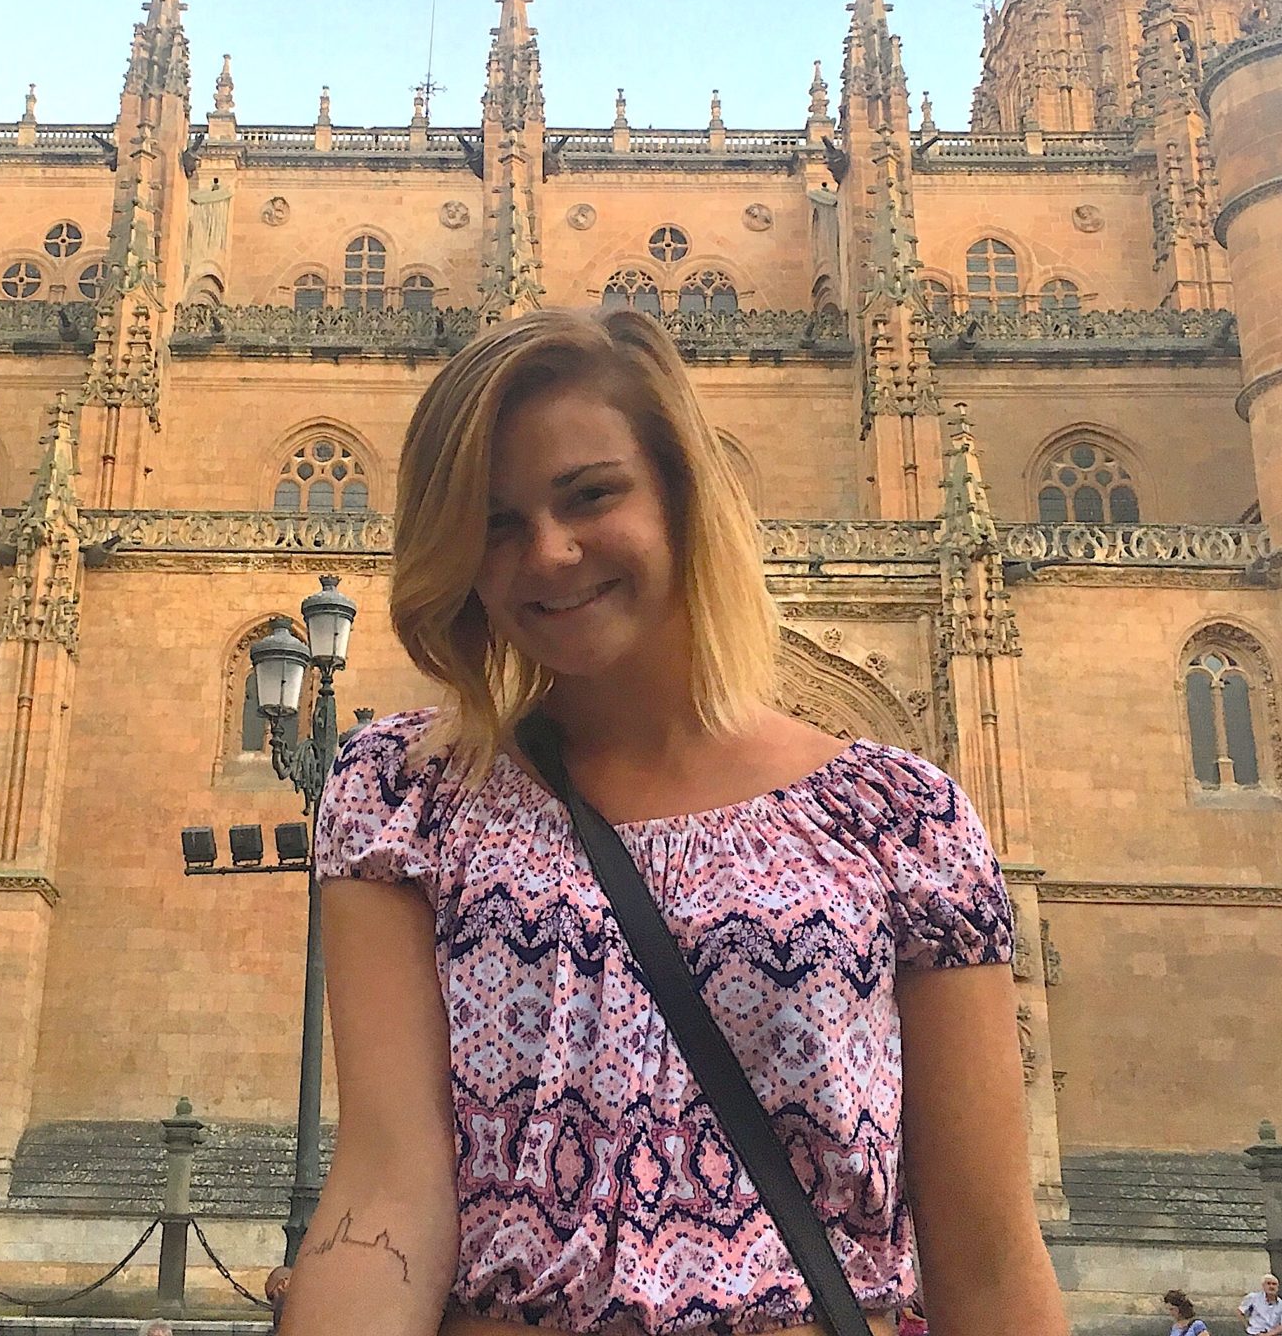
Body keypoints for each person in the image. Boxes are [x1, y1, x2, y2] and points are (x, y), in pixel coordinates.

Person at [285, 308, 1066, 1335]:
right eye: (493, 521)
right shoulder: (404, 792)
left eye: (590, 495)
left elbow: (991, 1261)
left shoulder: (902, 819)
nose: (550, 552)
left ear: (685, 494)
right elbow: (388, 1189)